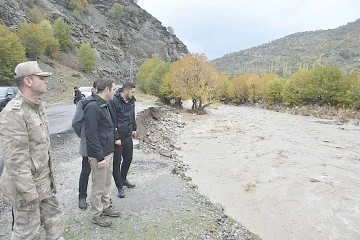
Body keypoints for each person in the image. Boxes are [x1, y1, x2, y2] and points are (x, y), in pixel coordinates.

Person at [0, 61, 64, 239]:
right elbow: (15, 160)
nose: (46, 81)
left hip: (45, 181)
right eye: (42, 77)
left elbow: (42, 148)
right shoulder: (14, 113)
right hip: (27, 188)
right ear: (28, 81)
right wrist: (29, 194)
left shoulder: (37, 107)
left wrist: (50, 179)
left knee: (54, 221)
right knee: (27, 232)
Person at [83, 79, 120, 227]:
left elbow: (109, 127)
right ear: (106, 89)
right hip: (99, 155)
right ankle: (96, 214)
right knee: (98, 186)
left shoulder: (106, 104)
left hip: (108, 151)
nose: (115, 92)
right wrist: (99, 157)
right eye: (114, 89)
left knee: (106, 183)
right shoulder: (92, 107)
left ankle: (105, 207)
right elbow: (90, 135)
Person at [71, 81, 97, 210]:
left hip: (103, 144)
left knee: (101, 173)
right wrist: (84, 136)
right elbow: (76, 123)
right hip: (88, 145)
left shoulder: (107, 103)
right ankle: (82, 197)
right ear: (94, 89)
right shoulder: (84, 103)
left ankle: (100, 199)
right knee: (86, 171)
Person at [109, 82, 137, 199]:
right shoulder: (114, 101)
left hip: (127, 135)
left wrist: (134, 128)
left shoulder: (132, 101)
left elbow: (132, 116)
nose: (133, 94)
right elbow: (112, 120)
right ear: (126, 91)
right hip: (118, 138)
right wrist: (116, 137)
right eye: (132, 91)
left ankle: (123, 178)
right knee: (117, 162)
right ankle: (119, 186)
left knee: (128, 158)